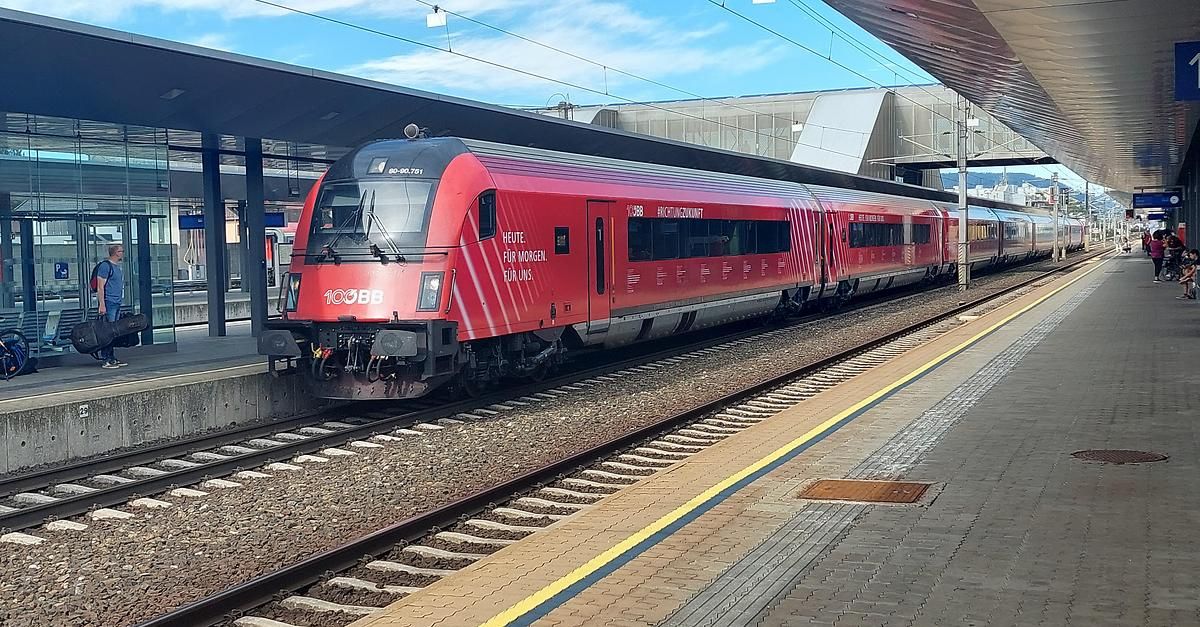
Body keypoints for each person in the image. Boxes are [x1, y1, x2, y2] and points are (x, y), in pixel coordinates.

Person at [93, 244, 127, 368]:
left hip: (116, 302)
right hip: (109, 302)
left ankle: (111, 357)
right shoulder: (105, 266)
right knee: (107, 331)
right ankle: (106, 358)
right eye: (120, 251)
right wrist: (102, 304)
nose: (122, 253)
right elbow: (100, 287)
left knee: (114, 332)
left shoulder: (117, 267)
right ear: (115, 253)